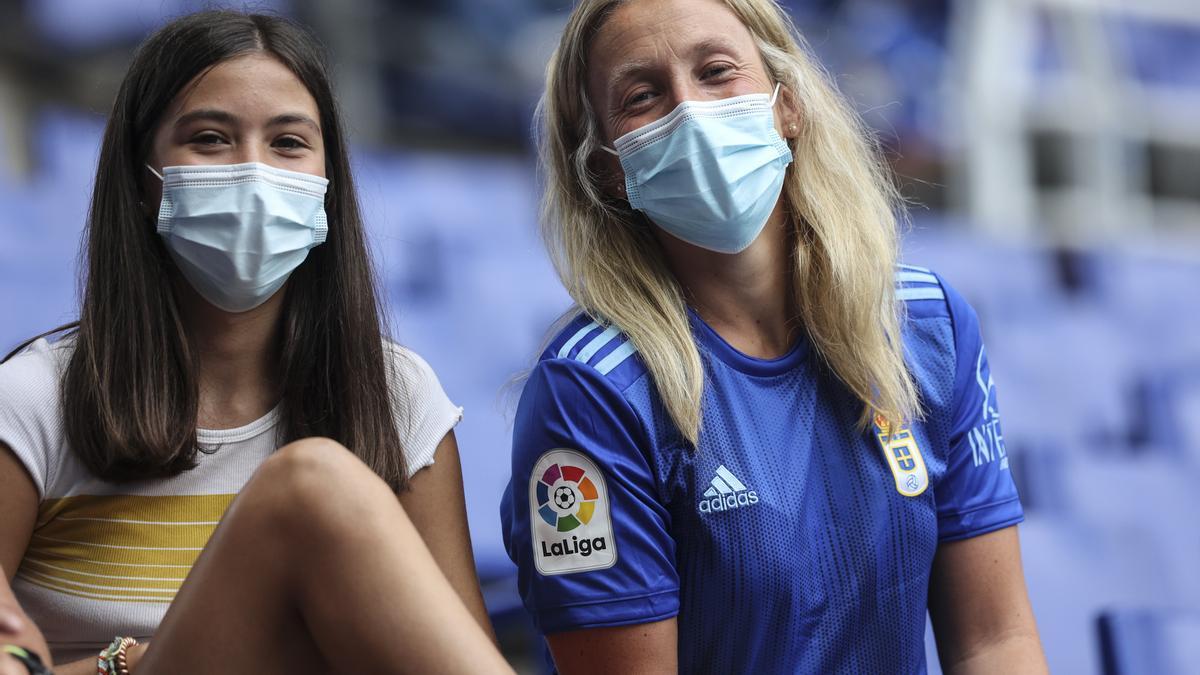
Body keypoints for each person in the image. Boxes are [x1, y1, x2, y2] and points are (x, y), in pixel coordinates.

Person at [500, 0, 1048, 673]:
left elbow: (994, 642)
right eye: (643, 95)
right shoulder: (591, 394)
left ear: (788, 108)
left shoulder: (929, 324)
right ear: (612, 168)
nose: (690, 111)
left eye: (717, 71)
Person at [0, 11, 512, 675]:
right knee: (313, 482)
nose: (254, 173)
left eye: (289, 143)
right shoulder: (34, 401)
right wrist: (127, 663)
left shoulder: (396, 397)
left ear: (329, 182)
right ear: (141, 179)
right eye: (210, 139)